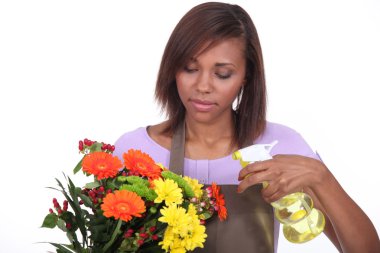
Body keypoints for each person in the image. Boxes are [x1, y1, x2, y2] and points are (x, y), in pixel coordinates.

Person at [114, 2, 380, 252]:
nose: (203, 86)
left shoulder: (281, 147)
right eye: (190, 68)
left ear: (246, 75)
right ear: (172, 69)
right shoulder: (134, 151)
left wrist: (321, 177)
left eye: (222, 74)